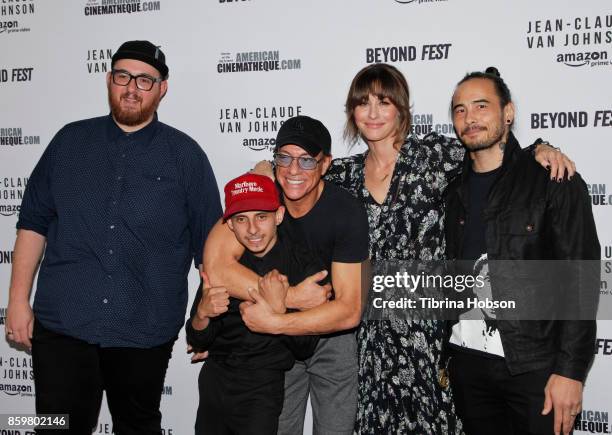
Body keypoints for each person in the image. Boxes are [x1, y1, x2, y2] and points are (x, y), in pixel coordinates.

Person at [323, 63, 575, 434]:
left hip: (434, 341)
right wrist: (265, 166)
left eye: (384, 102)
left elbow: (492, 148)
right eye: (363, 104)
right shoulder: (341, 176)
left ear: (401, 108)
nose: (373, 113)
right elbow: (295, 176)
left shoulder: (436, 156)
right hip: (371, 342)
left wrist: (542, 147)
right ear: (352, 113)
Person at [5, 40, 222, 434]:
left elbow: (213, 250)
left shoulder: (186, 156)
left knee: (137, 427)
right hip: (62, 325)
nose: (132, 87)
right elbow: (33, 223)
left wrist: (207, 320)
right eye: (123, 76)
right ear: (109, 80)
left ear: (162, 88)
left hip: (144, 327)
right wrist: (17, 300)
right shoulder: (68, 142)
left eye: (145, 79)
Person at [444, 67, 598, 435]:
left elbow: (582, 279)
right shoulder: (452, 191)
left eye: (481, 106)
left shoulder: (552, 179)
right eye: (460, 110)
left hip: (535, 370)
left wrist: (571, 371)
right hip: (468, 367)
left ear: (508, 113)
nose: (470, 118)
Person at [203, 115, 370, 435]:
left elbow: (349, 311)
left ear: (325, 164)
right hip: (274, 341)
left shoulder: (345, 211)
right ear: (274, 157)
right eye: (284, 157)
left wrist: (277, 320)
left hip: (330, 336)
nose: (294, 170)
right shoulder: (261, 195)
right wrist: (289, 299)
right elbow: (217, 266)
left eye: (307, 160)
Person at [186, 173, 322, 435]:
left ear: (279, 216)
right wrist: (202, 314)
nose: (252, 229)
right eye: (241, 219)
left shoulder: (302, 264)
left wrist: (279, 311)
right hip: (215, 381)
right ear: (230, 226)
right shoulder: (222, 265)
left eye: (262, 217)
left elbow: (305, 348)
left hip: (262, 386)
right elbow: (198, 339)